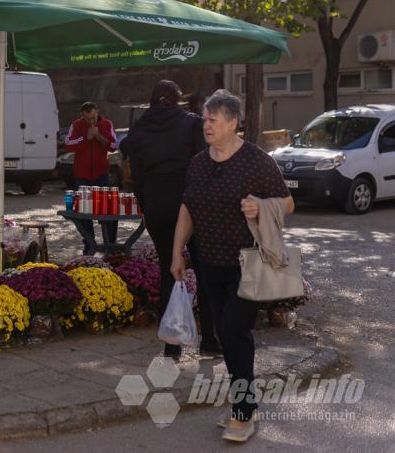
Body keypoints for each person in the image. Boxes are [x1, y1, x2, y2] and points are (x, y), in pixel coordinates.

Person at [170, 89, 294, 443]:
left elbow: (287, 203)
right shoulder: (198, 163)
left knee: (232, 329)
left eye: (212, 120)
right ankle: (245, 406)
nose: (205, 125)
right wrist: (178, 252)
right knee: (228, 333)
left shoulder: (256, 161)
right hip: (210, 261)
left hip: (248, 263)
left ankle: (243, 411)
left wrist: (261, 205)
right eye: (205, 119)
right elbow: (188, 208)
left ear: (233, 123)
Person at [120, 80, 219, 360]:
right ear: (178, 100)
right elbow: (205, 164)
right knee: (202, 267)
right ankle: (210, 338)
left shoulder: (140, 128)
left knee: (168, 268)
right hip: (189, 202)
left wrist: (146, 201)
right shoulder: (191, 124)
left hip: (156, 202)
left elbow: (135, 175)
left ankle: (172, 345)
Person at [64, 101, 118, 254]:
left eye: (93, 118)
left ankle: (111, 244)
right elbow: (68, 144)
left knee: (109, 210)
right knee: (83, 212)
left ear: (97, 112)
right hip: (82, 176)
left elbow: (114, 146)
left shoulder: (107, 124)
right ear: (82, 116)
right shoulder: (76, 125)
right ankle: (89, 242)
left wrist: (98, 136)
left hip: (101, 175)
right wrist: (85, 138)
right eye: (87, 119)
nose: (91, 121)